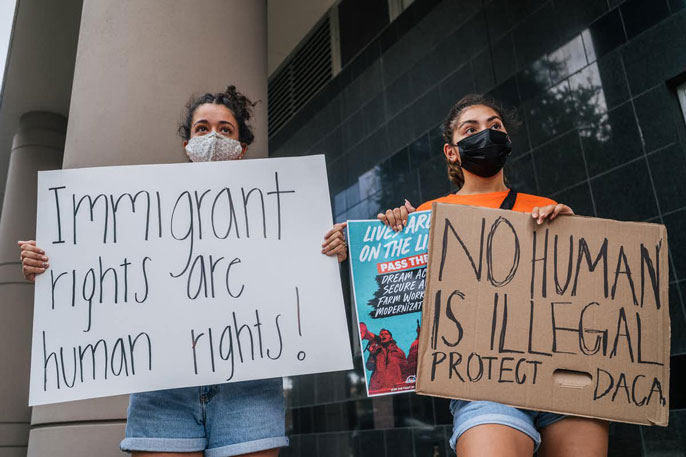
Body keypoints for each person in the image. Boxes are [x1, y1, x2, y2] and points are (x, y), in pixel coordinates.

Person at [19, 85, 337, 457]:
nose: (213, 137)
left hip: (248, 386)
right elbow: (104, 273)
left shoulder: (282, 213)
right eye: (202, 129)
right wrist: (51, 264)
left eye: (225, 129)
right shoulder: (136, 212)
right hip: (163, 387)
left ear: (242, 148)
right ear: (187, 144)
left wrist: (333, 249)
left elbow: (301, 274)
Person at [327, 93, 609, 457]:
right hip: (485, 384)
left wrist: (574, 238)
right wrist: (376, 239)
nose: (486, 134)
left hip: (564, 378)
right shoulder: (430, 216)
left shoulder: (545, 209)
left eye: (495, 126)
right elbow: (403, 299)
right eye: (471, 129)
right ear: (452, 152)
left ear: (506, 139)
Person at [365, 328, 408, 392]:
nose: (383, 335)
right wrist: (371, 354)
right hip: (377, 388)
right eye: (381, 334)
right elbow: (369, 367)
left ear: (391, 338)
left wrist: (403, 387)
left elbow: (405, 370)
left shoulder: (399, 352)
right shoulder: (376, 351)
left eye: (386, 334)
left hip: (394, 387)